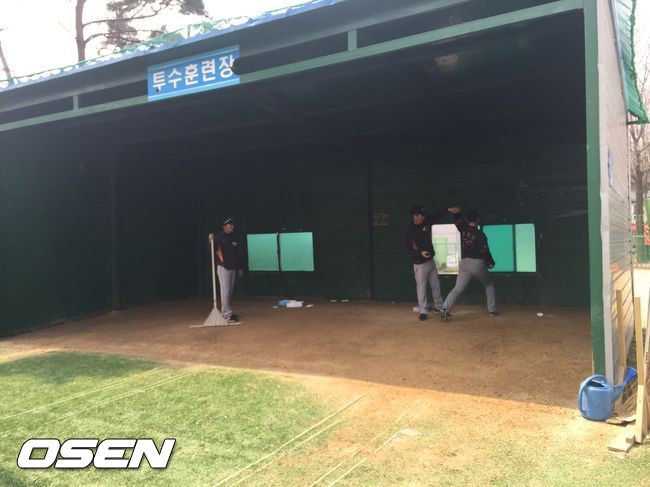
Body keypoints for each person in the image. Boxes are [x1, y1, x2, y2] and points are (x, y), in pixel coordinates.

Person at [406, 205, 461, 321]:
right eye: (421, 215)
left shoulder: (426, 221)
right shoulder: (410, 230)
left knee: (436, 285)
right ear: (415, 216)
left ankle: (439, 307)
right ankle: (423, 311)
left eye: (423, 215)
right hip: (419, 263)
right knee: (421, 288)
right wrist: (420, 253)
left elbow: (437, 215)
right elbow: (407, 248)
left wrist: (447, 210)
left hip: (430, 261)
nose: (423, 217)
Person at [440, 210, 497, 322]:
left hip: (464, 263)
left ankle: (445, 308)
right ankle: (492, 310)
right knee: (489, 284)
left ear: (467, 220)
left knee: (457, 288)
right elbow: (484, 251)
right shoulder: (480, 234)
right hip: (477, 263)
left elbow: (458, 222)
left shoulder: (464, 229)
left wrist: (456, 213)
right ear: (478, 220)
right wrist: (491, 261)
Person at [209, 218, 246, 324]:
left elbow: (238, 254)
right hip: (223, 268)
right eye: (229, 225)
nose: (231, 227)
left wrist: (240, 267)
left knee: (229, 291)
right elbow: (211, 249)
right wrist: (210, 241)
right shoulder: (219, 238)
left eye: (232, 225)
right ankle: (226, 315)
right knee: (225, 290)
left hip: (233, 268)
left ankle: (226, 312)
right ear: (224, 227)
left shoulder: (234, 238)